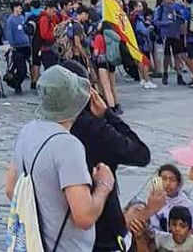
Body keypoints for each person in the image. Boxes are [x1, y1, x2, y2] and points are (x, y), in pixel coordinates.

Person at [6, 64, 115, 252]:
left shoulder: (28, 131)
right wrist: (104, 185)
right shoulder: (67, 146)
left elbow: (11, 190)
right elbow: (84, 217)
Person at [61, 59, 150, 252]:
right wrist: (108, 115)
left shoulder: (44, 130)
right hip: (101, 230)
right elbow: (140, 153)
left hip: (60, 233)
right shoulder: (94, 128)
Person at [152, 0, 186, 85]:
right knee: (167, 55)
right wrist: (165, 23)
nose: (164, 2)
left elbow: (184, 17)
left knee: (177, 55)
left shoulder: (177, 6)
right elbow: (155, 21)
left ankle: (179, 75)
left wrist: (178, 16)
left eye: (165, 0)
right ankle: (165, 74)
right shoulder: (160, 8)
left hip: (176, 33)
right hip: (166, 34)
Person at [4, 1, 31, 94]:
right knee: (21, 69)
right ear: (15, 8)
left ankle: (16, 82)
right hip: (17, 47)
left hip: (26, 45)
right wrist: (12, 44)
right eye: (19, 8)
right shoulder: (11, 20)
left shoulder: (22, 17)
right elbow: (9, 33)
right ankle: (15, 83)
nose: (21, 9)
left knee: (24, 67)